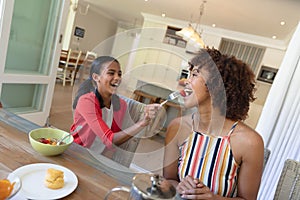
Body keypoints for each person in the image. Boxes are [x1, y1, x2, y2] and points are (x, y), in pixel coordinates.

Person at [163, 47, 264, 199]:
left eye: (195, 74)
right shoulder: (177, 127)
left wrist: (212, 197)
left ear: (216, 85)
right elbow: (169, 180)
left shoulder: (250, 142)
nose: (185, 81)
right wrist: (180, 186)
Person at [71, 56, 160, 156]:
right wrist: (142, 123)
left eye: (119, 74)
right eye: (111, 73)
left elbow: (112, 144)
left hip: (99, 157)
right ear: (96, 77)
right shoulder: (86, 101)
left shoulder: (121, 105)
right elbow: (110, 139)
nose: (117, 78)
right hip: (78, 153)